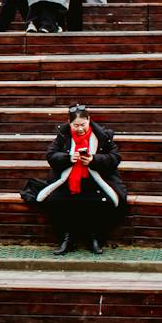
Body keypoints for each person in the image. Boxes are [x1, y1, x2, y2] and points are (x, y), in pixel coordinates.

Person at [30, 103, 128, 254]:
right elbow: (51, 155)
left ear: (89, 120)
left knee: (103, 202)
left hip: (96, 180)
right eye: (76, 125)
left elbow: (115, 157)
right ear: (69, 123)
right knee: (54, 201)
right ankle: (67, 238)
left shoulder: (103, 135)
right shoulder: (63, 135)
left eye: (83, 124)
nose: (80, 128)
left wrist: (94, 160)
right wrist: (69, 158)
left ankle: (94, 238)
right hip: (67, 181)